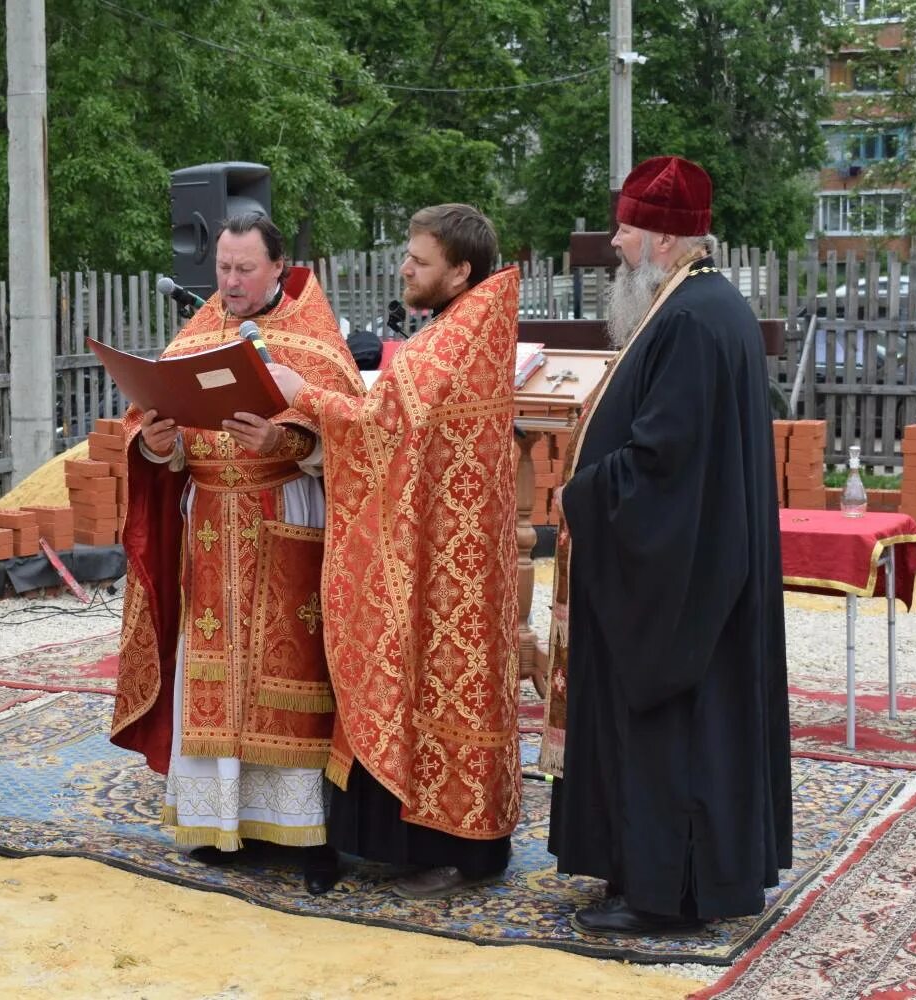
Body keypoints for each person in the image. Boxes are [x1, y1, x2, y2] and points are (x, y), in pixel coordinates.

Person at [543, 155, 791, 934]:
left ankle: (662, 891)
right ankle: (654, 873)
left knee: (671, 728)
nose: (614, 243)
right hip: (701, 563)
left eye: (624, 228)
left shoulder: (687, 319)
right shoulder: (703, 307)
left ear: (659, 237)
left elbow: (663, 463)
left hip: (680, 576)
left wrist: (583, 494)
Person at [267, 204, 522, 899]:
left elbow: (382, 424)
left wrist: (306, 397)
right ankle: (448, 844)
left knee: (436, 684)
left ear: (460, 271)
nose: (404, 267)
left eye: (419, 259)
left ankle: (448, 849)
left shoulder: (454, 334)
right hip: (451, 546)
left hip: (445, 559)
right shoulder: (466, 326)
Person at [110, 213, 364, 895]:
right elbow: (149, 426)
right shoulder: (200, 331)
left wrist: (291, 444)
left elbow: (357, 437)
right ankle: (224, 824)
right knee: (214, 671)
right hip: (211, 525)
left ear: (278, 267)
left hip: (287, 517)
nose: (229, 282)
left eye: (244, 269)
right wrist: (159, 442)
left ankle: (309, 833)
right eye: (222, 268)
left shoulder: (317, 340)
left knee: (296, 671)